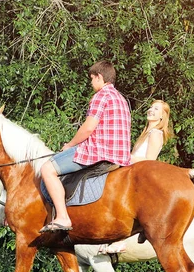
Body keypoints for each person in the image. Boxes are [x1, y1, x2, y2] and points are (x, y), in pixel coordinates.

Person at [39, 60, 132, 233]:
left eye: (92, 79)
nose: (91, 83)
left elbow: (89, 128)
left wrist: (70, 145)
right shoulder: (121, 98)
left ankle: (62, 217)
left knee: (47, 169)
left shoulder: (101, 96)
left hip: (99, 151)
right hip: (120, 156)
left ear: (99, 77)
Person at [100, 99, 174, 253]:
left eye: (156, 109)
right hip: (131, 168)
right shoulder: (147, 133)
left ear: (162, 117)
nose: (151, 110)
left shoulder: (156, 133)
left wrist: (125, 157)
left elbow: (149, 160)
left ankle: (120, 240)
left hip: (139, 173)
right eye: (151, 107)